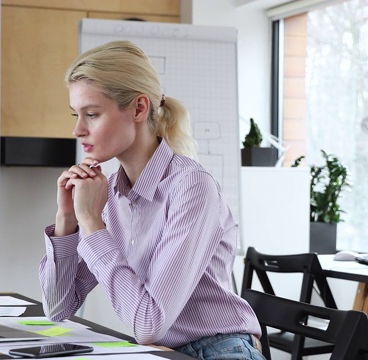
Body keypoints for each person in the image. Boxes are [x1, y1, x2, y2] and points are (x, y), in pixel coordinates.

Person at [38, 40, 265, 360]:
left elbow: (148, 323)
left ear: (139, 108)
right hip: (161, 353)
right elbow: (59, 308)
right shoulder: (109, 192)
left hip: (219, 351)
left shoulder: (191, 187)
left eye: (91, 114)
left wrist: (92, 223)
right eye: (75, 115)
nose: (77, 129)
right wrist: (67, 220)